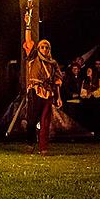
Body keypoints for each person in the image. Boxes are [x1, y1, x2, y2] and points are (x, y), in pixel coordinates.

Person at [22, 12, 63, 155]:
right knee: (32, 120)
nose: (44, 49)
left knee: (45, 122)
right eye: (42, 47)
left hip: (49, 93)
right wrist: (28, 24)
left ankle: (43, 147)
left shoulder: (53, 63)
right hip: (35, 91)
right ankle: (30, 143)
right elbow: (28, 41)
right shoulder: (33, 56)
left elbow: (57, 81)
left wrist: (58, 97)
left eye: (47, 47)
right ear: (38, 49)